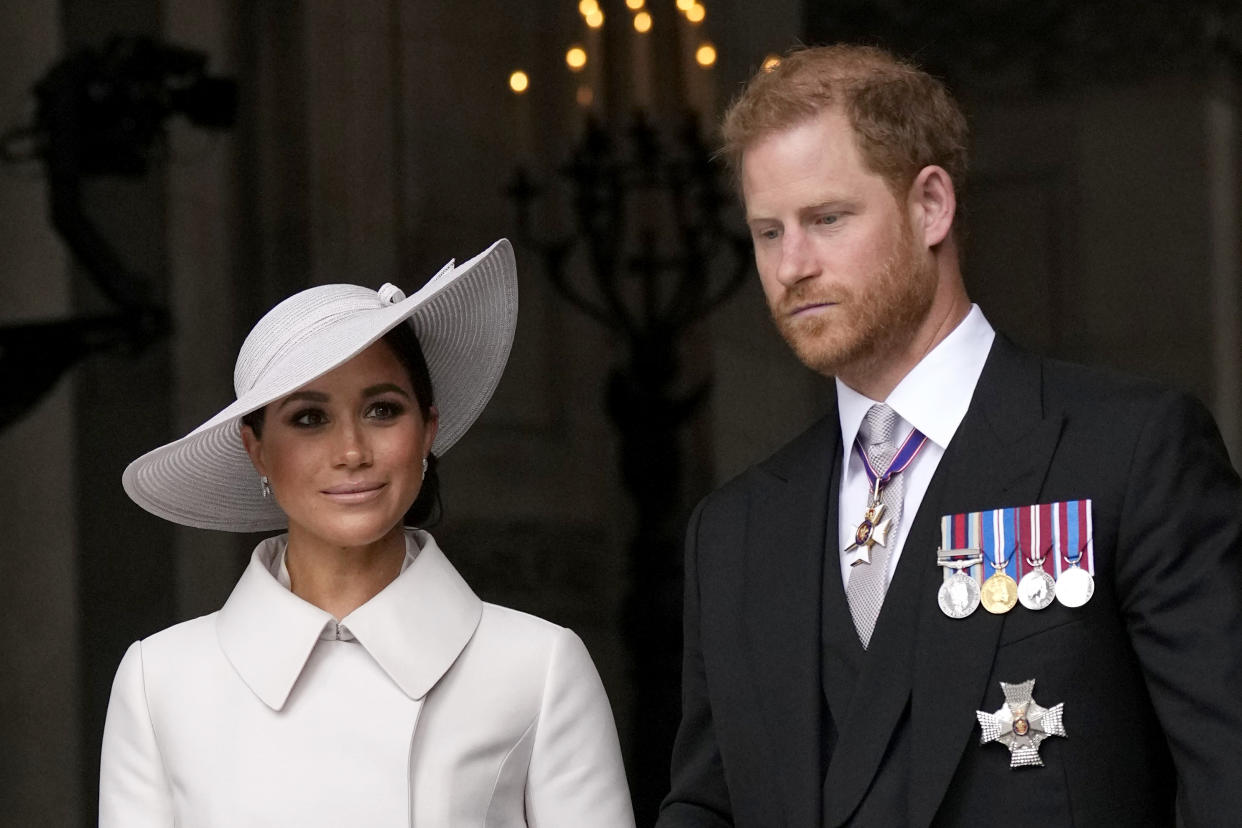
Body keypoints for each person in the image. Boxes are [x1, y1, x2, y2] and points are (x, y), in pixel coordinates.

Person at [657, 45, 1242, 827]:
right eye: (768, 232)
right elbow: (706, 807)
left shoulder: (1131, 453)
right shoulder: (732, 533)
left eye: (827, 219)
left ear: (930, 205)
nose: (791, 265)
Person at [100, 239, 635, 827]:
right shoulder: (162, 681)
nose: (352, 451)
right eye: (309, 418)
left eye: (382, 410)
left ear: (428, 428)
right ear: (256, 450)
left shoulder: (537, 665)